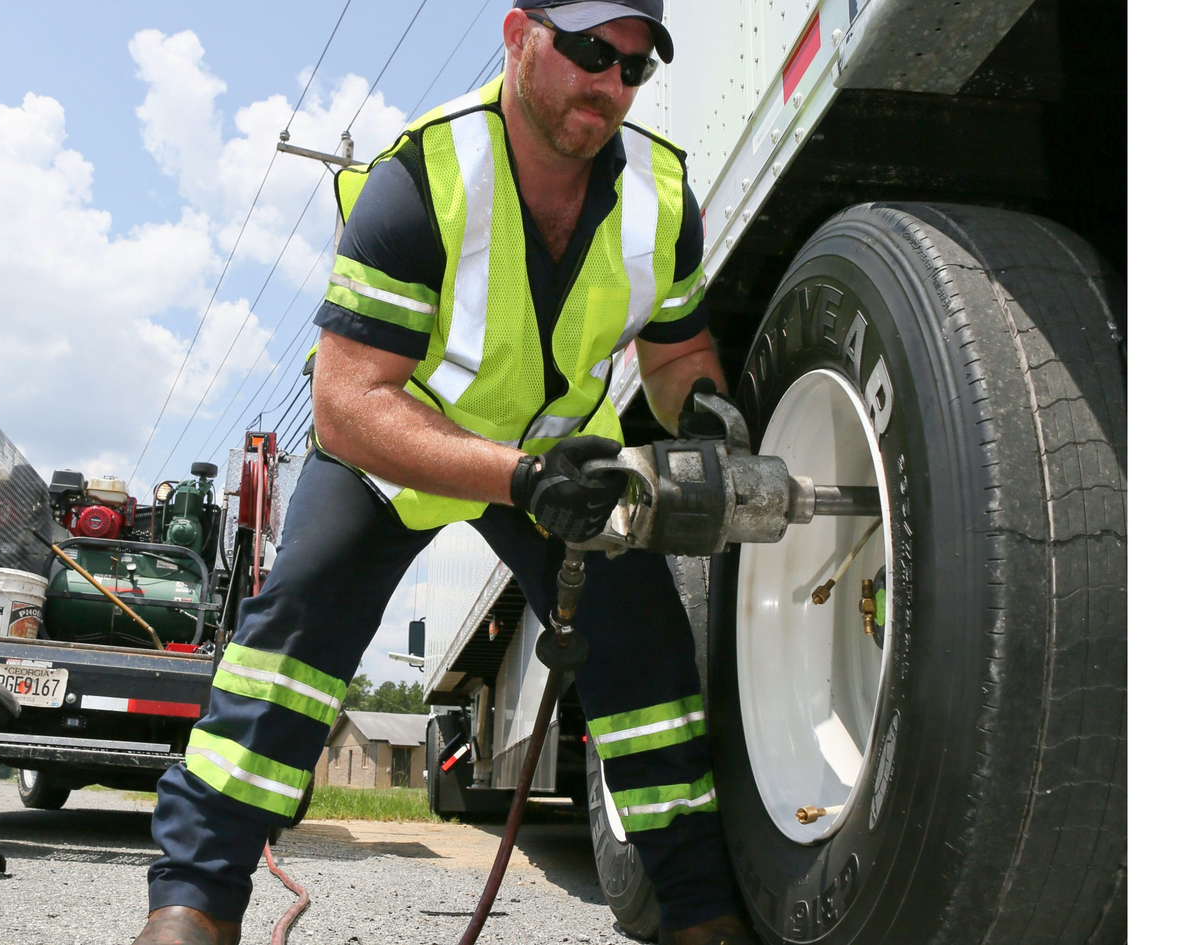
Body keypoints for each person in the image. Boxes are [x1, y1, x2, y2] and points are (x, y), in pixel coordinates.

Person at [134, 3, 757, 943]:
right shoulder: (421, 178)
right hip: (397, 451)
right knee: (293, 634)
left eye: (633, 67)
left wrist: (701, 407)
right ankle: (194, 903)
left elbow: (677, 354)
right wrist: (517, 475)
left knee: (648, 659)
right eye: (589, 51)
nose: (610, 84)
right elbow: (348, 403)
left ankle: (700, 914)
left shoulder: (662, 197)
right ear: (518, 35)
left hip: (558, 464)